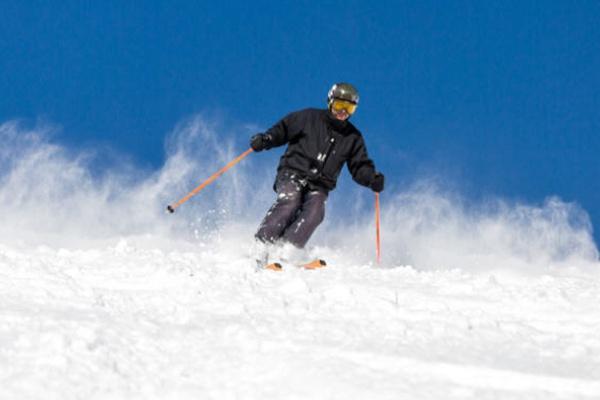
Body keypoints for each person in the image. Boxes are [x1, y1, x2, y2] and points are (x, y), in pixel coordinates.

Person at [250, 82, 384, 256]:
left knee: (316, 212)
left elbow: (359, 165)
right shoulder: (308, 117)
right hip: (293, 172)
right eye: (339, 105)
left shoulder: (353, 138)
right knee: (291, 200)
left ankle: (287, 250)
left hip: (320, 185)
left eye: (349, 108)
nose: (343, 111)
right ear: (330, 102)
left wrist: (371, 178)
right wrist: (266, 139)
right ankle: (262, 243)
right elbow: (283, 130)